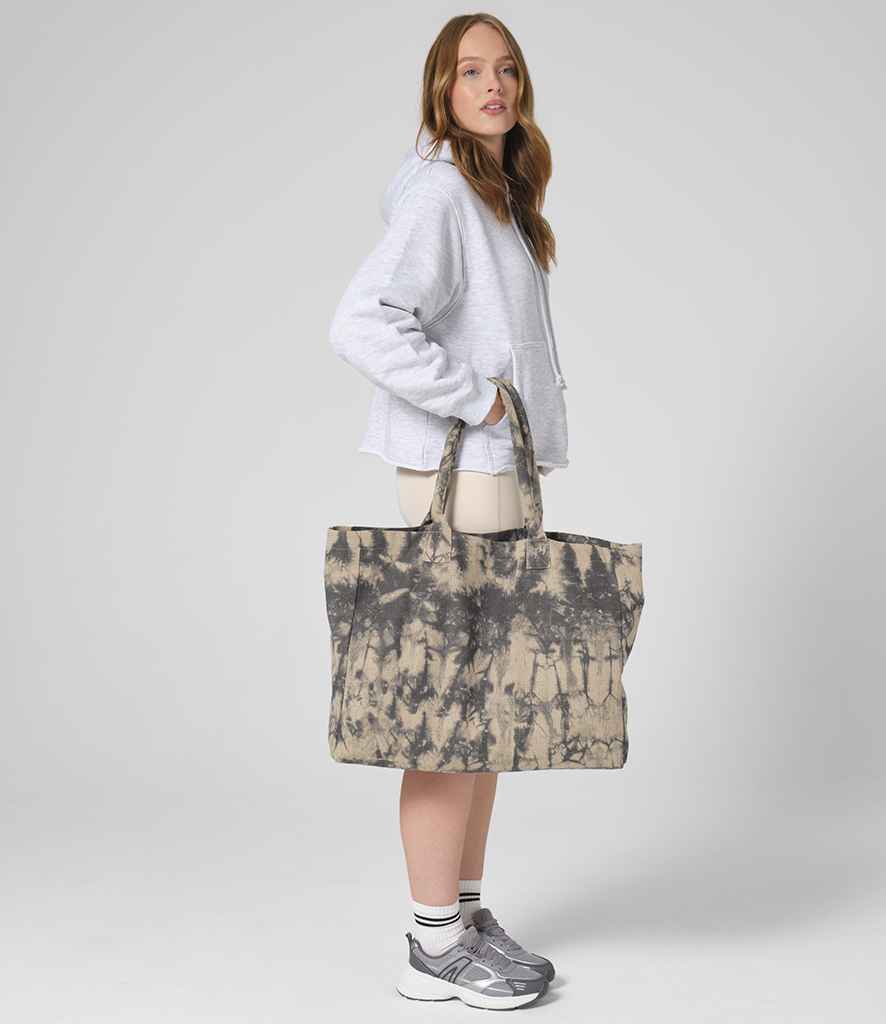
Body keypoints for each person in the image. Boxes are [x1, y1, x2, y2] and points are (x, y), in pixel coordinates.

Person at [328, 14, 569, 1011]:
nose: (493, 85)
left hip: (492, 474)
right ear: (442, 88)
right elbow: (361, 322)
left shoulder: (494, 192)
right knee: (448, 716)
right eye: (470, 71)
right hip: (460, 474)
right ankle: (432, 946)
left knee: (485, 714)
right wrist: (479, 400)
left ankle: (461, 919)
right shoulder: (440, 193)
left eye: (505, 69)